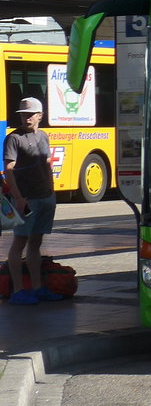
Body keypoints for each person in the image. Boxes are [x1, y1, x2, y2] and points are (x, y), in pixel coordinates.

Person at [3, 98, 64, 304]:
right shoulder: (14, 139)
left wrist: (52, 191)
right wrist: (19, 198)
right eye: (23, 114)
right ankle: (18, 291)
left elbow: (47, 164)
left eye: (30, 114)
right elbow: (8, 170)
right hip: (26, 199)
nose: (26, 117)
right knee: (20, 241)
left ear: (40, 115)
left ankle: (37, 288)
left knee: (36, 242)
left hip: (45, 196)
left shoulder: (43, 136)